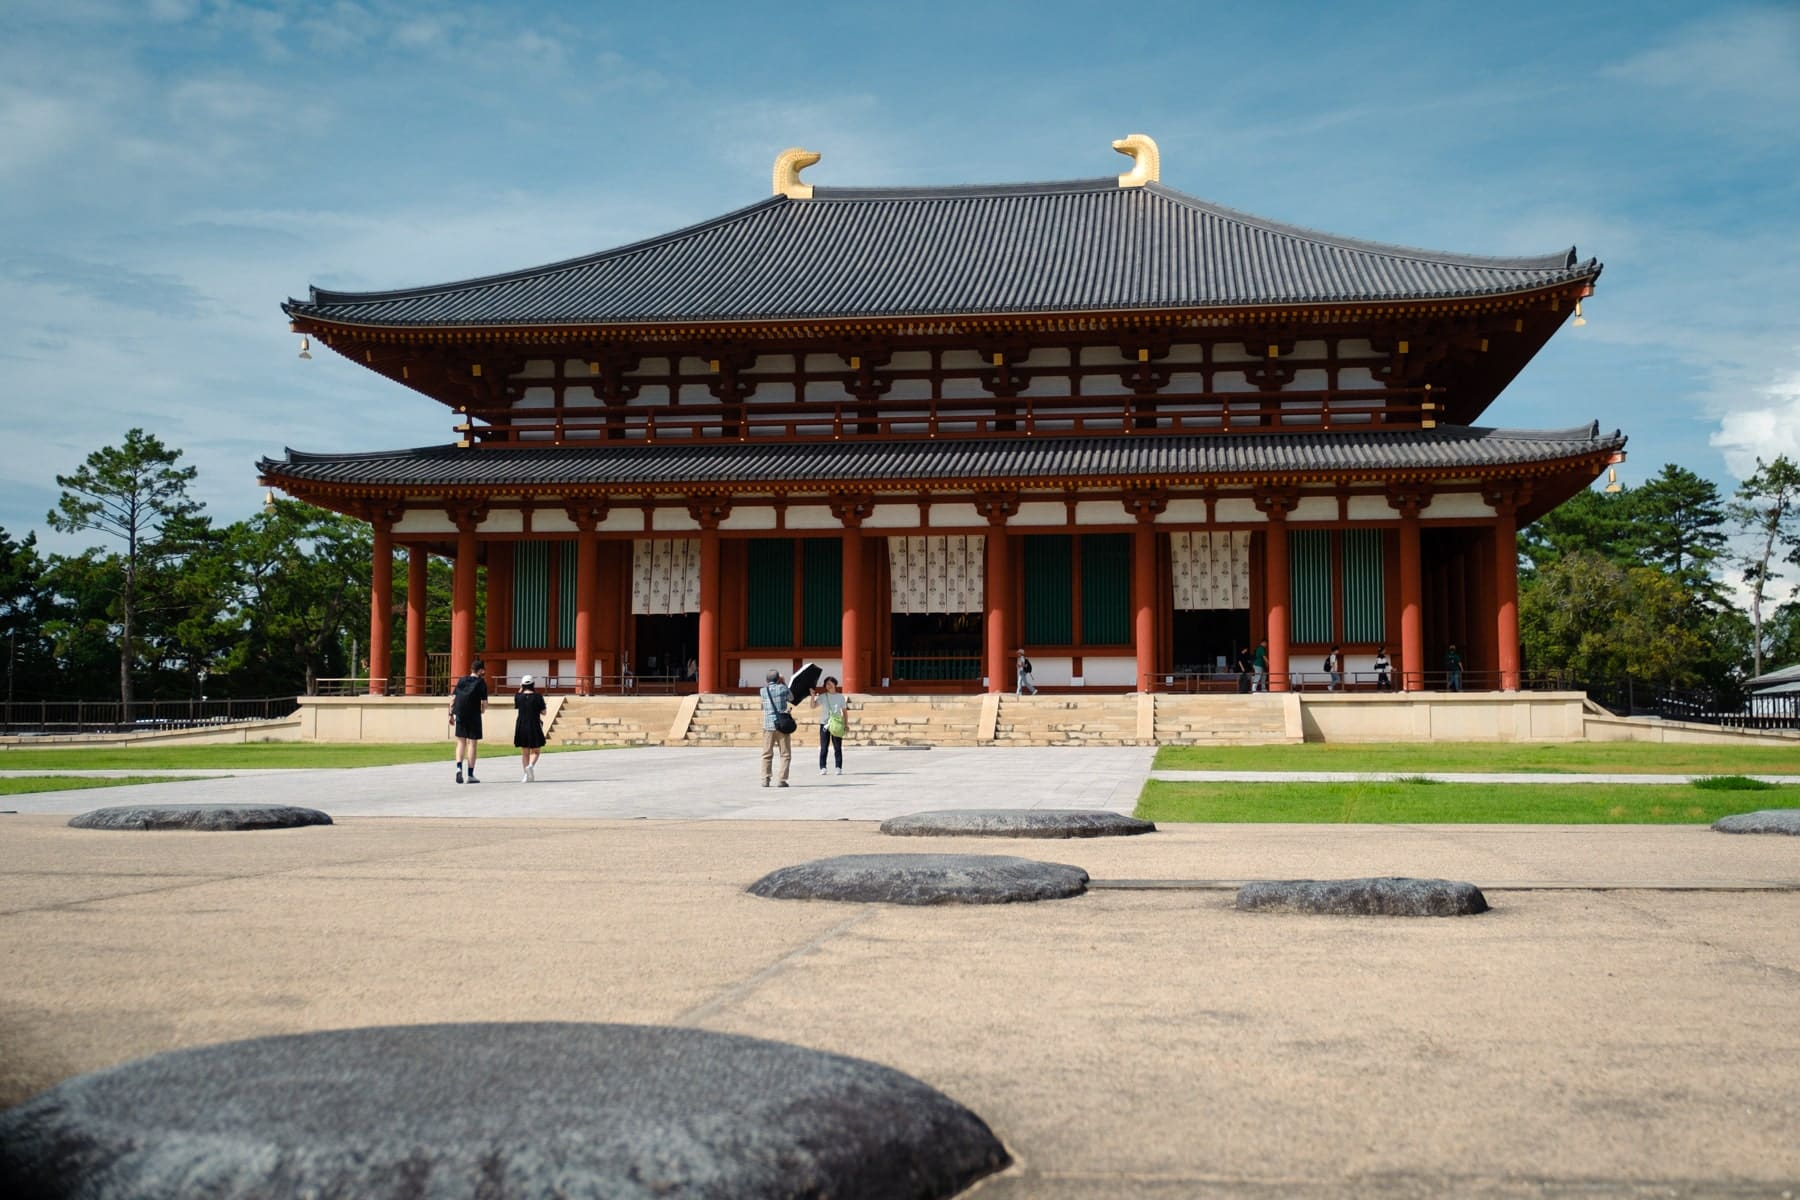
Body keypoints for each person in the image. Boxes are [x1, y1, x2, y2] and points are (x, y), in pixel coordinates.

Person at [448, 659, 489, 784]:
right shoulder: (481, 683)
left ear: (471, 669)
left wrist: (450, 714)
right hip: (473, 715)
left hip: (460, 713)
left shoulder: (461, 680)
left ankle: (458, 768)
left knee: (461, 742)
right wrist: (482, 710)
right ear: (481, 670)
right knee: (472, 744)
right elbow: (484, 703)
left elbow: (453, 698)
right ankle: (470, 775)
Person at [759, 668, 793, 788]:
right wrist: (783, 682)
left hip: (768, 726)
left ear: (766, 680)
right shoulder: (782, 688)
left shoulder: (762, 691)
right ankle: (782, 780)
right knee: (785, 754)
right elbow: (791, 698)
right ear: (778, 679)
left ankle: (765, 779)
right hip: (782, 726)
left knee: (767, 753)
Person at [513, 674, 547, 782]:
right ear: (533, 684)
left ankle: (525, 775)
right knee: (536, 750)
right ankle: (531, 766)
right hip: (534, 724)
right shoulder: (538, 697)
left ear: (522, 685)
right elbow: (544, 712)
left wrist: (521, 688)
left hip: (521, 725)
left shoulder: (518, 697)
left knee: (525, 752)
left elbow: (517, 702)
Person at [812, 675, 848, 775]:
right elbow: (813, 706)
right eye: (826, 684)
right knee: (824, 747)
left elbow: (844, 711)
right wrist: (812, 696)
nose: (828, 685)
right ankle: (823, 767)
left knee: (837, 747)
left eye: (830, 683)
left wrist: (846, 724)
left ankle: (838, 767)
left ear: (835, 683)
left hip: (836, 724)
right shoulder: (823, 696)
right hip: (824, 724)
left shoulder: (840, 697)